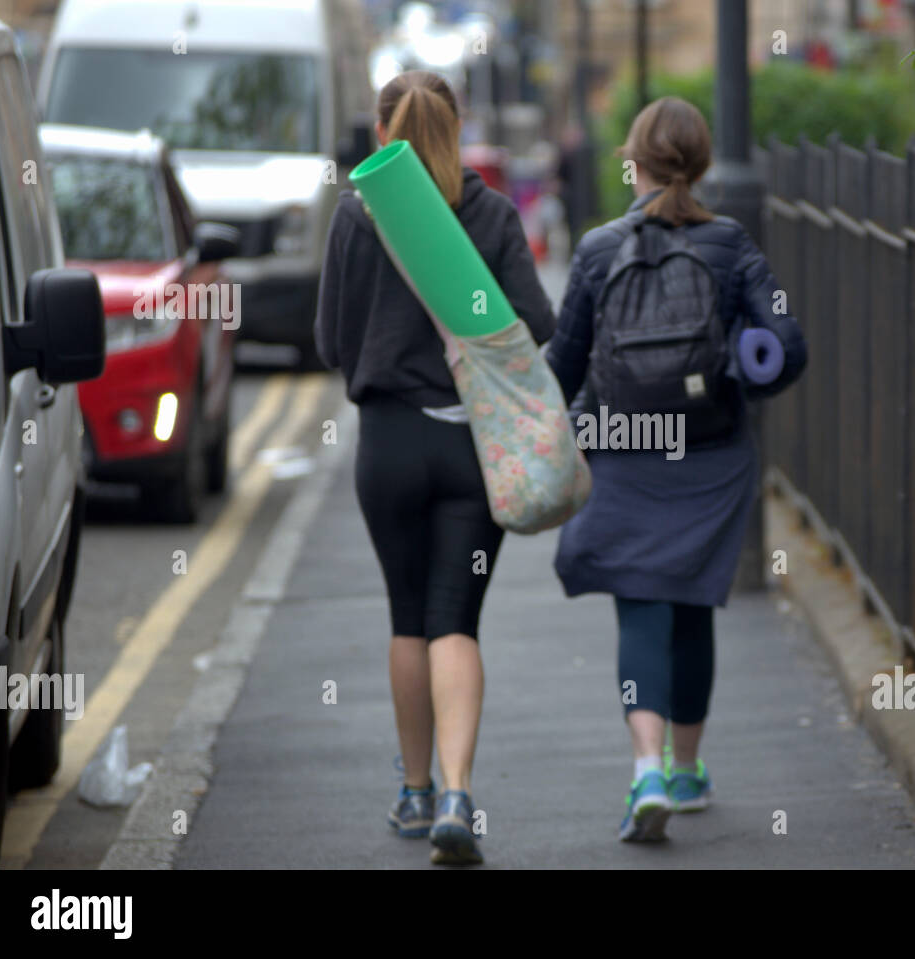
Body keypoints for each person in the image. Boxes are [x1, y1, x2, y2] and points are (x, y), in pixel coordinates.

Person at [545, 97, 806, 842]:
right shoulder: (731, 243)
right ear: (700, 162)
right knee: (691, 605)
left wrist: (521, 428)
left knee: (640, 607)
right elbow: (786, 341)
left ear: (634, 163)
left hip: (624, 449)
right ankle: (687, 771)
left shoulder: (597, 249)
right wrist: (742, 373)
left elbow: (562, 364)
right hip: (712, 454)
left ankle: (646, 770)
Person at [314, 70, 555, 865]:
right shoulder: (488, 214)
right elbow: (536, 323)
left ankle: (414, 792)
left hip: (387, 444)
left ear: (385, 135)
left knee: (406, 616)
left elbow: (329, 341)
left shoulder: (357, 215)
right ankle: (458, 792)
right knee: (456, 618)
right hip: (468, 449)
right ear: (457, 129)